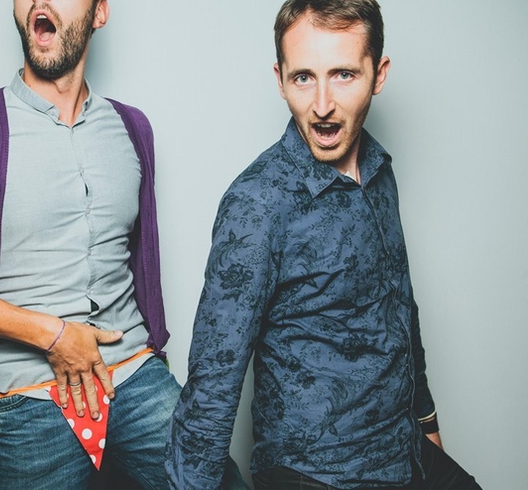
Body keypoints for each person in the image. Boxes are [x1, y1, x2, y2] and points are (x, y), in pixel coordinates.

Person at [166, 1, 482, 489]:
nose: (322, 105)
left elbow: (400, 308)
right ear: (280, 79)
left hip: (400, 451)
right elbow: (213, 383)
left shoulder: (379, 171)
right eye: (303, 78)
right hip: (314, 470)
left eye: (343, 75)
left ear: (378, 74)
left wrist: (425, 424)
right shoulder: (258, 202)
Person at [0, 1, 181, 488]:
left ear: (99, 13)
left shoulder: (132, 127)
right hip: (30, 398)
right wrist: (53, 335)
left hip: (136, 377)